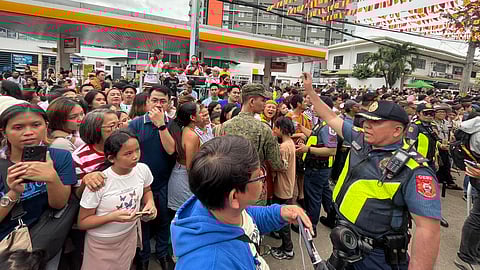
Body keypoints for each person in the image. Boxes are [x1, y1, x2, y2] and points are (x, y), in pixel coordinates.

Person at [302, 72, 440, 270]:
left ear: (397, 131)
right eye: (366, 120)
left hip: (376, 256)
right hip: (346, 242)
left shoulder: (415, 171)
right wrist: (310, 91)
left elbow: (428, 230)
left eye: (375, 122)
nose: (367, 125)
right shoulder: (361, 140)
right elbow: (330, 116)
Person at [170, 135, 312, 269]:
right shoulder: (211, 264)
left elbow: (247, 217)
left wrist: (280, 213)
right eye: (258, 176)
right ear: (234, 197)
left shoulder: (216, 206)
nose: (263, 176)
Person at [0, 98, 76, 268]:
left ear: (46, 126)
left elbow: (59, 204)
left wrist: (52, 177)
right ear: (4, 132)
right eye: (18, 127)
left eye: (36, 125)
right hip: (6, 246)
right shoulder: (2, 164)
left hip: (44, 240)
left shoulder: (60, 157)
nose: (29, 132)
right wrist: (13, 193)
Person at [77, 129, 156, 270]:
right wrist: (111, 217)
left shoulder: (142, 169)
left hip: (128, 235)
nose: (135, 156)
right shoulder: (99, 182)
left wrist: (150, 203)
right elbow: (83, 222)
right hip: (102, 244)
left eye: (137, 150)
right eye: (128, 153)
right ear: (111, 158)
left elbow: (147, 190)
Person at [128, 85, 175, 270]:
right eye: (154, 100)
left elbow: (171, 150)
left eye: (162, 101)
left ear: (169, 103)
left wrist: (161, 125)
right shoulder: (136, 124)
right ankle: (144, 257)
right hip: (140, 183)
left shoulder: (173, 124)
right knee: (143, 222)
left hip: (165, 181)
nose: (158, 104)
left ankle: (162, 254)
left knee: (164, 220)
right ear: (147, 102)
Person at [218, 84, 285, 206]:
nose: (265, 104)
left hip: (230, 187)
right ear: (252, 101)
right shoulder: (264, 129)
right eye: (263, 100)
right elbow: (276, 163)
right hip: (254, 188)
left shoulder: (224, 126)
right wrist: (285, 163)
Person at [167, 102, 202, 221]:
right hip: (185, 178)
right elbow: (190, 166)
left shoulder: (184, 129)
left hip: (180, 174)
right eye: (199, 112)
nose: (202, 115)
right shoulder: (191, 135)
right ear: (193, 117)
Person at [270, 116, 297, 260]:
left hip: (282, 187)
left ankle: (288, 249)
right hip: (288, 186)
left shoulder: (283, 147)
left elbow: (280, 167)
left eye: (276, 127)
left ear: (282, 129)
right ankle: (286, 247)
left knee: (283, 219)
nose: (274, 129)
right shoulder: (290, 143)